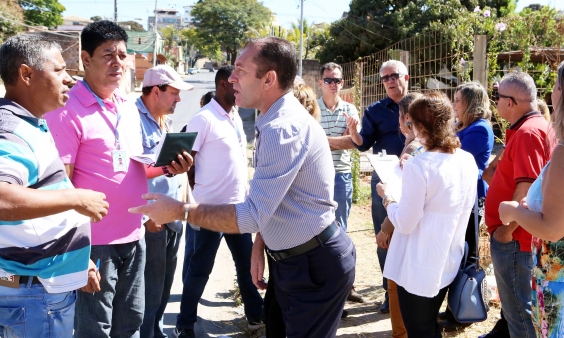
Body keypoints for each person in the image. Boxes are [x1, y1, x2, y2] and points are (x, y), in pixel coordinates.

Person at [130, 36, 356, 338]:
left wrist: (180, 210)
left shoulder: (282, 128)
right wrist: (261, 245)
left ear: (269, 79)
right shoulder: (269, 119)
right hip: (291, 261)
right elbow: (273, 198)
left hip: (312, 266)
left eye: (241, 70)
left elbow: (251, 216)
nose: (231, 77)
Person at [45, 20, 191, 337]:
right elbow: (60, 186)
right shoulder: (66, 109)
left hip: (133, 237)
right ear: (85, 59)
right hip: (94, 245)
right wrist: (76, 254)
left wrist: (169, 167)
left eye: (123, 55)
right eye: (108, 54)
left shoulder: (127, 106)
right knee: (94, 328)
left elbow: (134, 167)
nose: (118, 63)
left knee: (131, 323)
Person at [0, 35, 108, 337]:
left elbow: (40, 198)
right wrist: (75, 198)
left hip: (39, 289)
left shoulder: (31, 122)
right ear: (27, 75)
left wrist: (76, 261)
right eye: (59, 70)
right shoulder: (10, 131)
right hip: (32, 295)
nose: (70, 79)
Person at [376, 92, 478, 337]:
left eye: (410, 123)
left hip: (418, 266)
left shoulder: (419, 165)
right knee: (429, 325)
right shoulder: (466, 159)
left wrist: (388, 198)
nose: (408, 128)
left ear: (420, 126)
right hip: (448, 258)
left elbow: (405, 222)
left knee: (420, 329)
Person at [173, 65, 264, 338]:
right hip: (209, 211)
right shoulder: (204, 118)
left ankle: (255, 318)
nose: (240, 89)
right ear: (223, 84)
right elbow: (187, 161)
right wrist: (196, 196)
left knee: (246, 267)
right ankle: (185, 325)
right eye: (236, 84)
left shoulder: (235, 115)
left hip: (238, 209)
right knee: (199, 270)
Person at [480, 71, 554, 338]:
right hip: (518, 238)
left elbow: (526, 189)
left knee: (520, 317)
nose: (495, 102)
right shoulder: (528, 128)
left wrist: (505, 231)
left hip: (515, 239)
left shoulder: (527, 132)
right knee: (520, 313)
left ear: (510, 102)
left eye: (497, 96)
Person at [498, 61, 564, 338]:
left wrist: (512, 212)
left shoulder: (559, 149)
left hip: (556, 279)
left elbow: (553, 227)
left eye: (557, 86)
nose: (552, 93)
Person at [258, 81, 325, 338]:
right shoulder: (282, 135)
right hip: (283, 251)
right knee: (276, 312)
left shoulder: (293, 136)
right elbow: (266, 206)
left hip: (300, 253)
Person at [347, 60, 409, 313]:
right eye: (385, 78)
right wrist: (353, 133)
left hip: (416, 176)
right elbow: (363, 144)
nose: (390, 81)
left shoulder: (420, 105)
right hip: (384, 180)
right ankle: (390, 292)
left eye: (394, 75)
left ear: (406, 76)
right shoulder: (374, 110)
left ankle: (411, 292)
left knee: (413, 233)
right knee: (385, 236)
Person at [136, 65, 194, 338]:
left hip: (171, 217)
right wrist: (146, 217)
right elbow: (129, 173)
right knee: (148, 288)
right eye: (174, 93)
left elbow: (162, 169)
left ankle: (156, 331)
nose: (178, 99)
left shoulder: (163, 121)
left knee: (164, 285)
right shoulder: (132, 120)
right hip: (152, 220)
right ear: (156, 91)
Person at [438, 81, 494, 331]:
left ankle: (463, 312)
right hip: (459, 198)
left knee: (465, 256)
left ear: (470, 103)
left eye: (458, 99)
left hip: (470, 201)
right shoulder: (465, 126)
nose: (454, 104)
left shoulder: (480, 130)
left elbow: (453, 155)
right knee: (457, 254)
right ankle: (455, 308)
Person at [374, 92, 422, 338]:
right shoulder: (421, 145)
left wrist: (384, 227)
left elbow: (403, 200)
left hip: (402, 229)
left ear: (406, 118)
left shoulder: (413, 149)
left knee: (395, 286)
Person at [317, 62, 363, 303]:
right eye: (328, 80)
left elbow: (354, 142)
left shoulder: (349, 109)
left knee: (341, 231)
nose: (333, 84)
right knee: (319, 231)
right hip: (316, 176)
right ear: (320, 82)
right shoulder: (312, 108)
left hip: (341, 175)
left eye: (337, 80)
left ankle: (346, 287)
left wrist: (323, 139)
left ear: (342, 83)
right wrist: (339, 139)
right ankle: (328, 287)